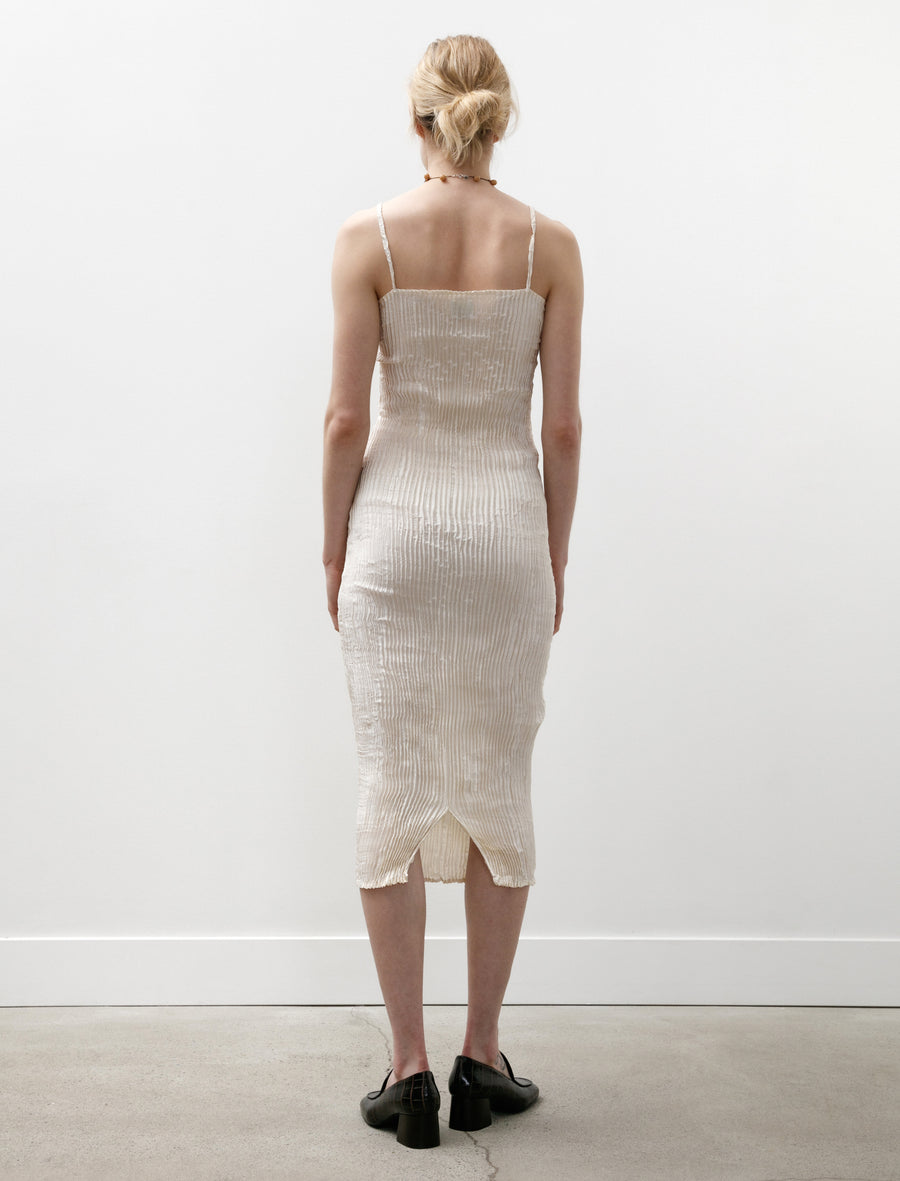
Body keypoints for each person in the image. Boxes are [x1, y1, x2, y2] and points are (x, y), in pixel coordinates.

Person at [322, 34, 582, 1149]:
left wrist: (331, 548)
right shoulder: (551, 245)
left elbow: (345, 418)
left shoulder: (368, 238)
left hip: (396, 538)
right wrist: (554, 555)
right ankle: (482, 1054)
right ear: (500, 119)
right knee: (498, 787)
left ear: (417, 117)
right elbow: (561, 429)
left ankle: (409, 1070)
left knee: (392, 782)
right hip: (504, 537)